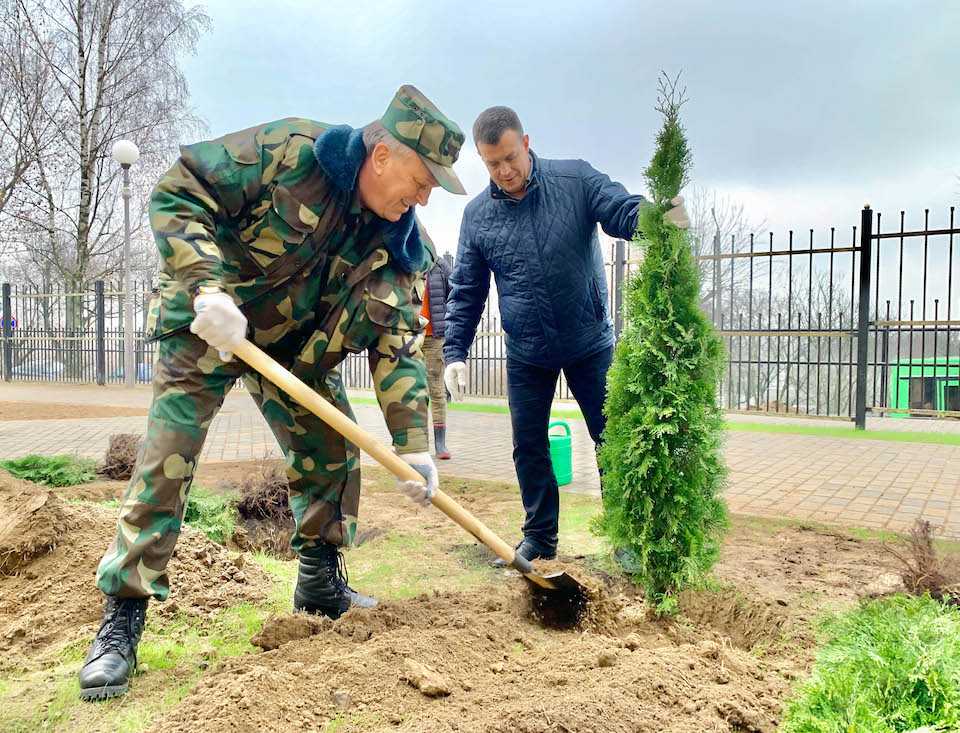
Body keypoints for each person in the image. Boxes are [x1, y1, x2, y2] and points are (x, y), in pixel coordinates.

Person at [78, 85, 466, 701]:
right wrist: (207, 287)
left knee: (334, 451)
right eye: (421, 180)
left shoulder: (399, 249)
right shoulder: (291, 152)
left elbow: (397, 348)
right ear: (384, 153)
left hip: (295, 352)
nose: (423, 198)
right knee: (168, 458)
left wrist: (414, 445)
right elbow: (181, 189)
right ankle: (121, 618)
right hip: (210, 323)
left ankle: (320, 582)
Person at [443, 106, 688, 565]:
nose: (505, 170)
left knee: (611, 438)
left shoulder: (574, 180)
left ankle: (626, 537)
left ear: (527, 143)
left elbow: (618, 208)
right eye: (493, 164)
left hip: (588, 342)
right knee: (529, 447)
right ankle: (539, 539)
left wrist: (655, 218)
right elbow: (467, 290)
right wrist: (456, 351)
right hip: (527, 352)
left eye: (511, 157)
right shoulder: (477, 217)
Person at [421, 254, 454, 458]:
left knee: (436, 390)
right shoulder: (403, 259)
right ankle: (411, 439)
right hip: (408, 336)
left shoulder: (440, 266)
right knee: (411, 388)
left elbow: (456, 295)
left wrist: (448, 323)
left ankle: (440, 443)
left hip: (434, 337)